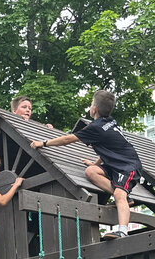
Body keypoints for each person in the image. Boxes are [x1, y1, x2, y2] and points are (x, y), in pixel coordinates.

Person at [29, 90, 142, 240]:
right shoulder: (109, 121)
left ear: (94, 109)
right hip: (115, 165)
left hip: (128, 166)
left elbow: (67, 140)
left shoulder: (95, 127)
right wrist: (94, 163)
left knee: (119, 194)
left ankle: (122, 230)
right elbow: (110, 149)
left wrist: (43, 143)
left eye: (91, 104)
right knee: (91, 171)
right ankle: (121, 195)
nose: (90, 106)